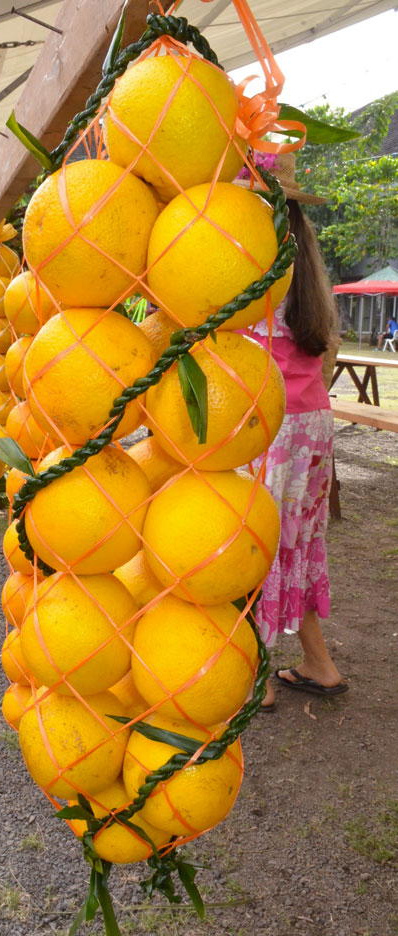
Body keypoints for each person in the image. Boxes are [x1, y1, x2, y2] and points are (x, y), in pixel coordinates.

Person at [240, 154, 348, 707]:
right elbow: (324, 353)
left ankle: (255, 675)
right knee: (297, 542)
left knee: (250, 541)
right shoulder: (304, 268)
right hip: (312, 421)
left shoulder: (249, 262)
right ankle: (319, 664)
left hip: (268, 421)